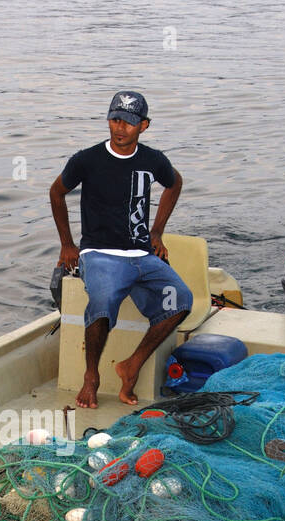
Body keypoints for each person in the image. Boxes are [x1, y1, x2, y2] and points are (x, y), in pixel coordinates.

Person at [50, 90, 192, 409]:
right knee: (101, 302)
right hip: (99, 254)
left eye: (128, 122)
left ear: (143, 126)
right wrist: (67, 244)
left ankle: (132, 364)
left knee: (181, 299)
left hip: (142, 256)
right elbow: (56, 193)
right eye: (115, 119)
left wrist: (157, 231)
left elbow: (175, 183)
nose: (119, 128)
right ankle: (91, 376)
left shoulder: (153, 160)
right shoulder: (86, 160)